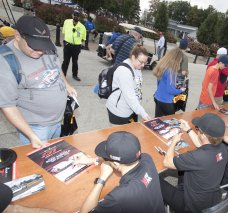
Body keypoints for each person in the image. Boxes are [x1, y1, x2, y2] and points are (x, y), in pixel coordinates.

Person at [0, 16, 76, 148]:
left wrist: (66, 84)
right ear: (17, 35)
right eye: (35, 47)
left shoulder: (46, 44)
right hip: (35, 128)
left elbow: (56, 67)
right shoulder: (5, 61)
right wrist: (31, 136)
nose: (41, 51)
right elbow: (8, 106)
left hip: (57, 120)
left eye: (43, 46)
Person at [75, 131, 165, 213]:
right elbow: (121, 158)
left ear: (116, 164)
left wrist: (101, 179)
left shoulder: (118, 196)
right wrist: (92, 160)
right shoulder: (147, 159)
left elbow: (85, 211)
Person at [160, 113, 228, 213]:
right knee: (183, 169)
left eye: (198, 129)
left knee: (156, 179)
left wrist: (174, 141)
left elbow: (167, 162)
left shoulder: (197, 157)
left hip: (190, 205)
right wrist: (188, 129)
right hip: (211, 198)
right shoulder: (223, 148)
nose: (197, 131)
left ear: (203, 135)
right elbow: (201, 144)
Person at [107, 45, 151, 125]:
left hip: (132, 109)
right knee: (120, 136)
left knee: (131, 133)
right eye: (141, 62)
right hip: (119, 112)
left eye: (145, 62)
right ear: (133, 57)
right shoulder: (124, 71)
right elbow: (130, 96)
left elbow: (137, 88)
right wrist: (143, 113)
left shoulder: (137, 67)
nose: (143, 65)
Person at [153, 48, 186, 117]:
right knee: (171, 124)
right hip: (166, 101)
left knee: (157, 121)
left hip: (158, 97)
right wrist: (181, 90)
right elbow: (170, 90)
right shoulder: (171, 71)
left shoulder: (163, 67)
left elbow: (158, 83)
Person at [61, 10, 87, 81]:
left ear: (79, 17)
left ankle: (75, 75)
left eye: (77, 15)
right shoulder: (66, 22)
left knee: (75, 61)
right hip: (67, 44)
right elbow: (64, 32)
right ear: (72, 15)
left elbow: (83, 38)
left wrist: (77, 42)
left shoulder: (82, 27)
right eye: (75, 15)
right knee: (65, 61)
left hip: (76, 47)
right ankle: (63, 75)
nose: (76, 16)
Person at [174, 39, 189, 112]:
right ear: (186, 47)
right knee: (176, 99)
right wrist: (187, 72)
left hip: (171, 76)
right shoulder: (184, 57)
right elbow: (183, 72)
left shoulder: (174, 54)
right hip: (179, 79)